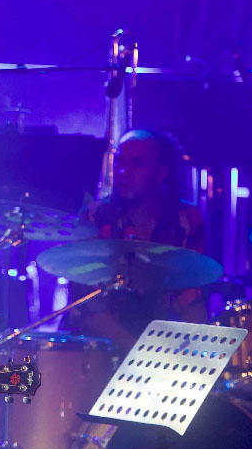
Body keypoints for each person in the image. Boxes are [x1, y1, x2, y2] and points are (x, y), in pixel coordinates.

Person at [64, 128, 207, 353]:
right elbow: (88, 307)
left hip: (162, 344)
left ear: (161, 173)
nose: (123, 171)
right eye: (120, 162)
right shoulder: (93, 218)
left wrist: (193, 354)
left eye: (137, 164)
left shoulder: (186, 219)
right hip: (97, 351)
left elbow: (192, 297)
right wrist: (141, 357)